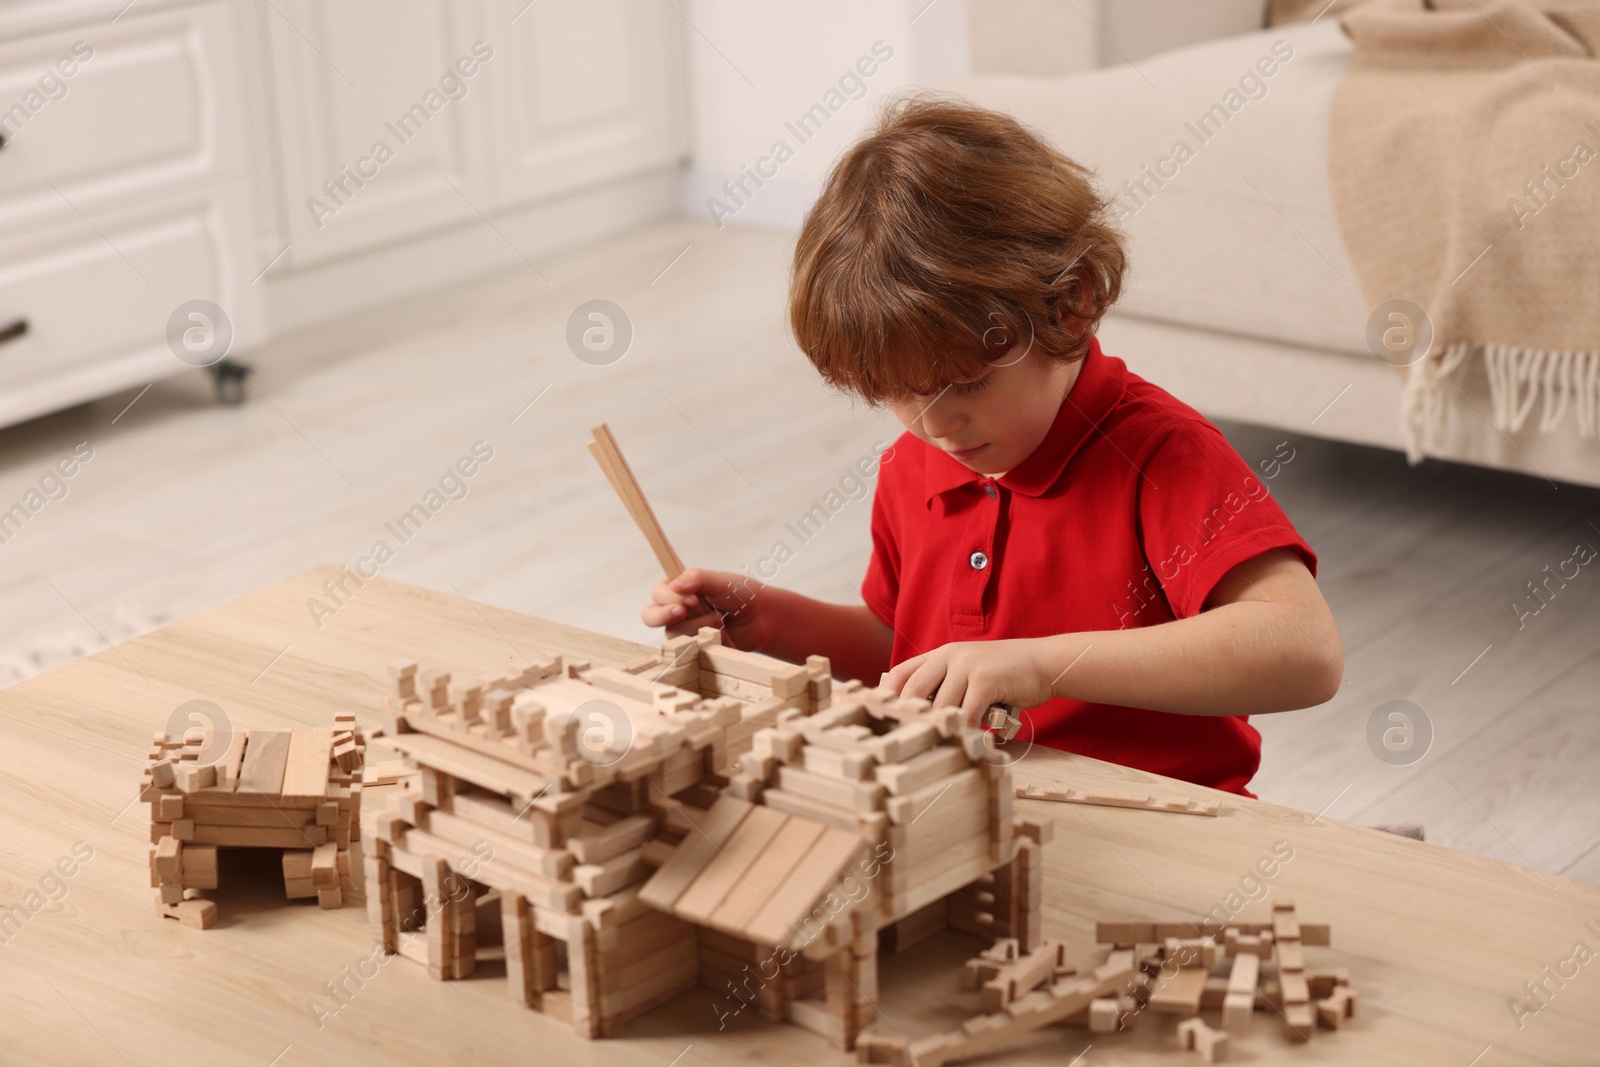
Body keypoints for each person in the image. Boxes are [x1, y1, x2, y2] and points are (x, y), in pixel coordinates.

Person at [641, 95, 1341, 796]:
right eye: (899, 394)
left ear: (1073, 302)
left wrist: (1042, 666)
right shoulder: (914, 465)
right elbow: (909, 650)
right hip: (978, 812)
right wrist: (774, 620)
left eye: (966, 384)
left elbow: (1305, 652)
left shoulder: (1163, 456)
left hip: (1166, 824)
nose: (937, 425)